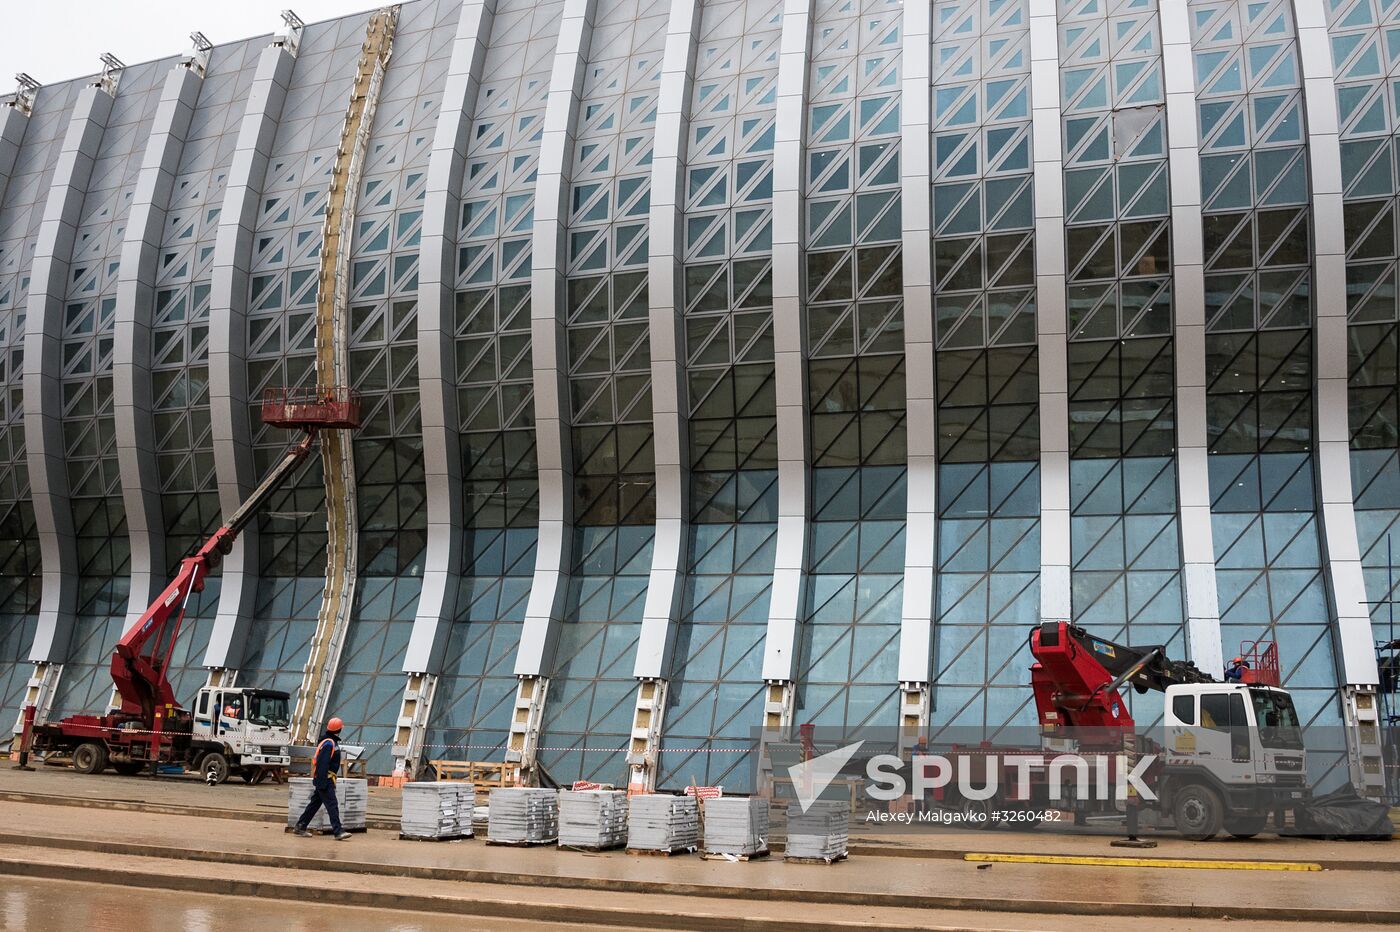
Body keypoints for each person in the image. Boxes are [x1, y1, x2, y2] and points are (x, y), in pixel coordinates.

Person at [293, 717, 350, 841]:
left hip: (324, 779)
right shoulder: (329, 743)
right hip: (325, 779)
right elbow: (323, 763)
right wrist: (323, 782)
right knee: (332, 805)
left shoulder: (329, 742)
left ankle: (300, 826)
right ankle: (338, 831)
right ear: (339, 729)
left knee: (314, 805)